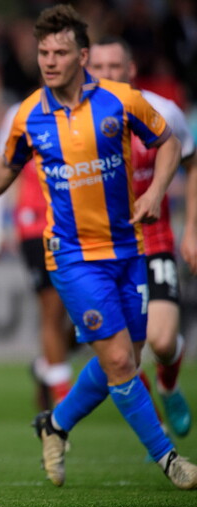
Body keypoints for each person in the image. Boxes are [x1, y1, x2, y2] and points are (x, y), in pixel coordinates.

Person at [0, 5, 197, 490]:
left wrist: (156, 191)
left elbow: (169, 144)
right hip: (75, 257)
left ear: (82, 55)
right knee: (121, 361)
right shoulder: (30, 115)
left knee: (126, 355)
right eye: (43, 52)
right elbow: (5, 165)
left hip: (130, 249)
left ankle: (55, 424)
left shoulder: (121, 102)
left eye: (60, 52)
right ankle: (171, 461)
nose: (50, 61)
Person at [87, 36, 194, 438]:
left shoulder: (163, 111)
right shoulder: (76, 119)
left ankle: (168, 383)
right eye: (99, 68)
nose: (107, 75)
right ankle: (155, 428)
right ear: (87, 70)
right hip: (105, 249)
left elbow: (191, 161)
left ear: (130, 70)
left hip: (156, 241)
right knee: (123, 354)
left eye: (115, 67)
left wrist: (193, 232)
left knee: (162, 342)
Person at [0, 107, 74, 410]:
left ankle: (46, 366)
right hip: (36, 225)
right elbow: (1, 166)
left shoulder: (95, 108)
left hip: (82, 226)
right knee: (51, 309)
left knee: (85, 316)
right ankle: (64, 401)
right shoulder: (20, 114)